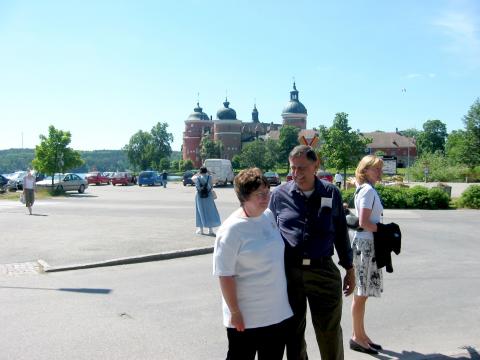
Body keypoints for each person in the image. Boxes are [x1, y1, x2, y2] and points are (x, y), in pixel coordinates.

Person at [269, 145, 355, 360]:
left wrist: (349, 268)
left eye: (302, 168)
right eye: (293, 168)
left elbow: (341, 234)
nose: (296, 173)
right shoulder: (279, 195)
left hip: (323, 271)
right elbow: (267, 233)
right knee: (293, 334)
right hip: (290, 274)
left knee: (329, 332)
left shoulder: (331, 192)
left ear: (315, 164)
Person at [213, 168, 293, 360]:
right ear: (244, 196)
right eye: (260, 194)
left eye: (267, 191)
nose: (266, 197)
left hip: (276, 313)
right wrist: (234, 312)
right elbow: (225, 275)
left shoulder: (268, 217)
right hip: (247, 317)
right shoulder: (231, 230)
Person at [349, 155, 384, 355]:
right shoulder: (368, 190)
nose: (379, 172)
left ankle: (361, 335)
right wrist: (385, 230)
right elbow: (364, 222)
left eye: (380, 169)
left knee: (362, 294)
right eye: (375, 169)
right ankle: (357, 337)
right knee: (361, 294)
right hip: (366, 245)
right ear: (365, 170)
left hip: (364, 244)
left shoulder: (364, 189)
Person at [195, 166, 221, 235]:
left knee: (200, 211)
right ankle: (210, 230)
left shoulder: (197, 178)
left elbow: (196, 186)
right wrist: (209, 173)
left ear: (200, 171)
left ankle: (201, 230)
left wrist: (198, 174)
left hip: (199, 196)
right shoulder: (210, 177)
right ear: (206, 171)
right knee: (210, 211)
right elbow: (216, 181)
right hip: (208, 196)